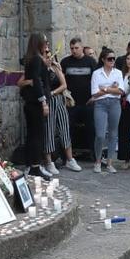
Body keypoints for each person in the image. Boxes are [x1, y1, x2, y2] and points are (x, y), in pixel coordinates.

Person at [18, 33, 53, 180]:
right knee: (37, 135)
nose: (47, 44)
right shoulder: (37, 59)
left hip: (31, 102)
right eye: (45, 42)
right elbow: (37, 82)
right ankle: (36, 167)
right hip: (36, 103)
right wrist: (43, 102)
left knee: (33, 135)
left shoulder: (31, 59)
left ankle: (33, 165)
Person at [87, 47, 124, 173]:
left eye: (113, 58)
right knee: (100, 134)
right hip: (100, 104)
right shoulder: (97, 73)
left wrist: (105, 89)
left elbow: (120, 91)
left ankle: (109, 162)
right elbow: (94, 94)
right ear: (103, 60)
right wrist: (111, 88)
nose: (112, 61)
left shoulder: (118, 73)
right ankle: (98, 161)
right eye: (109, 59)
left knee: (113, 134)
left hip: (114, 103)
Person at [42, 45, 75, 174]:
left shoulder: (55, 67)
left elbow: (64, 85)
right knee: (49, 130)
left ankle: (70, 159)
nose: (48, 54)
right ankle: (49, 162)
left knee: (64, 128)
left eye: (49, 52)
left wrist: (53, 92)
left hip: (58, 100)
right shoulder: (40, 68)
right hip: (47, 102)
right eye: (45, 52)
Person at [61, 37, 96, 154]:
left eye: (76, 48)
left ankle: (94, 154)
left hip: (88, 102)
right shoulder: (65, 62)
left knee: (91, 128)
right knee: (68, 129)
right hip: (71, 103)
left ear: (82, 48)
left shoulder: (90, 62)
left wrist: (94, 96)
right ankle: (68, 155)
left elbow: (96, 80)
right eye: (72, 48)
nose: (74, 50)